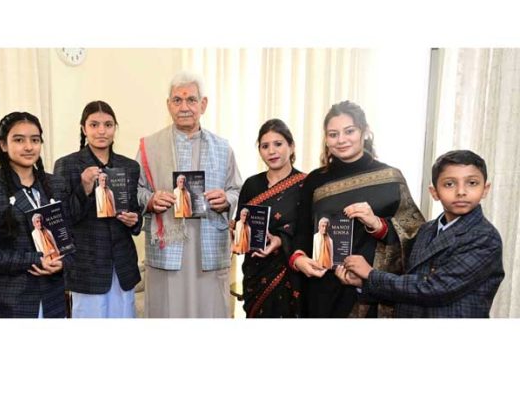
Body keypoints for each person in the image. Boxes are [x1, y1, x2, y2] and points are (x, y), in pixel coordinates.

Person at [291, 100, 425, 318]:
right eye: (333, 134)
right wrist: (298, 259)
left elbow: (416, 235)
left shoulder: (390, 178)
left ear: (365, 132)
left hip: (369, 292)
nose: (341, 140)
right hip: (322, 289)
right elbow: (302, 231)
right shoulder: (315, 180)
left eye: (349, 131)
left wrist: (378, 225)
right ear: (326, 139)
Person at [335, 150, 504, 318]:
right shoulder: (426, 230)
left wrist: (371, 275)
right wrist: (364, 283)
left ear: (485, 189)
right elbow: (408, 285)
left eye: (472, 183)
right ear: (434, 192)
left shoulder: (484, 237)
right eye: (449, 184)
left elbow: (435, 289)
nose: (461, 191)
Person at [137, 71, 242, 318]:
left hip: (208, 248)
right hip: (167, 246)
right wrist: (150, 200)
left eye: (191, 100)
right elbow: (136, 191)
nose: (184, 107)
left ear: (203, 104)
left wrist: (226, 200)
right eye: (177, 100)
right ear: (168, 105)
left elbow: (236, 189)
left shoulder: (223, 147)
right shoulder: (149, 146)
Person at [0, 112, 66, 318]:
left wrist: (64, 262)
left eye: (35, 140)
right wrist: (32, 260)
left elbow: (70, 237)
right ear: (3, 145)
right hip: (11, 303)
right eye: (19, 140)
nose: (29, 147)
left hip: (53, 300)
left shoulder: (56, 184)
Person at [53, 101, 141, 318]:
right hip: (87, 265)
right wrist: (84, 187)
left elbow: (136, 212)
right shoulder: (68, 165)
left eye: (108, 125)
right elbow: (63, 219)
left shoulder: (129, 166)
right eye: (94, 125)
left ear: (115, 128)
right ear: (84, 129)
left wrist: (135, 220)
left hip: (122, 264)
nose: (102, 131)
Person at [234, 118, 306, 318]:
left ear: (291, 147)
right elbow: (240, 223)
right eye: (265, 146)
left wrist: (280, 240)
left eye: (278, 144)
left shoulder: (306, 184)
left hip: (289, 272)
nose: (271, 151)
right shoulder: (251, 184)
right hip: (255, 271)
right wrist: (237, 234)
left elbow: (309, 231)